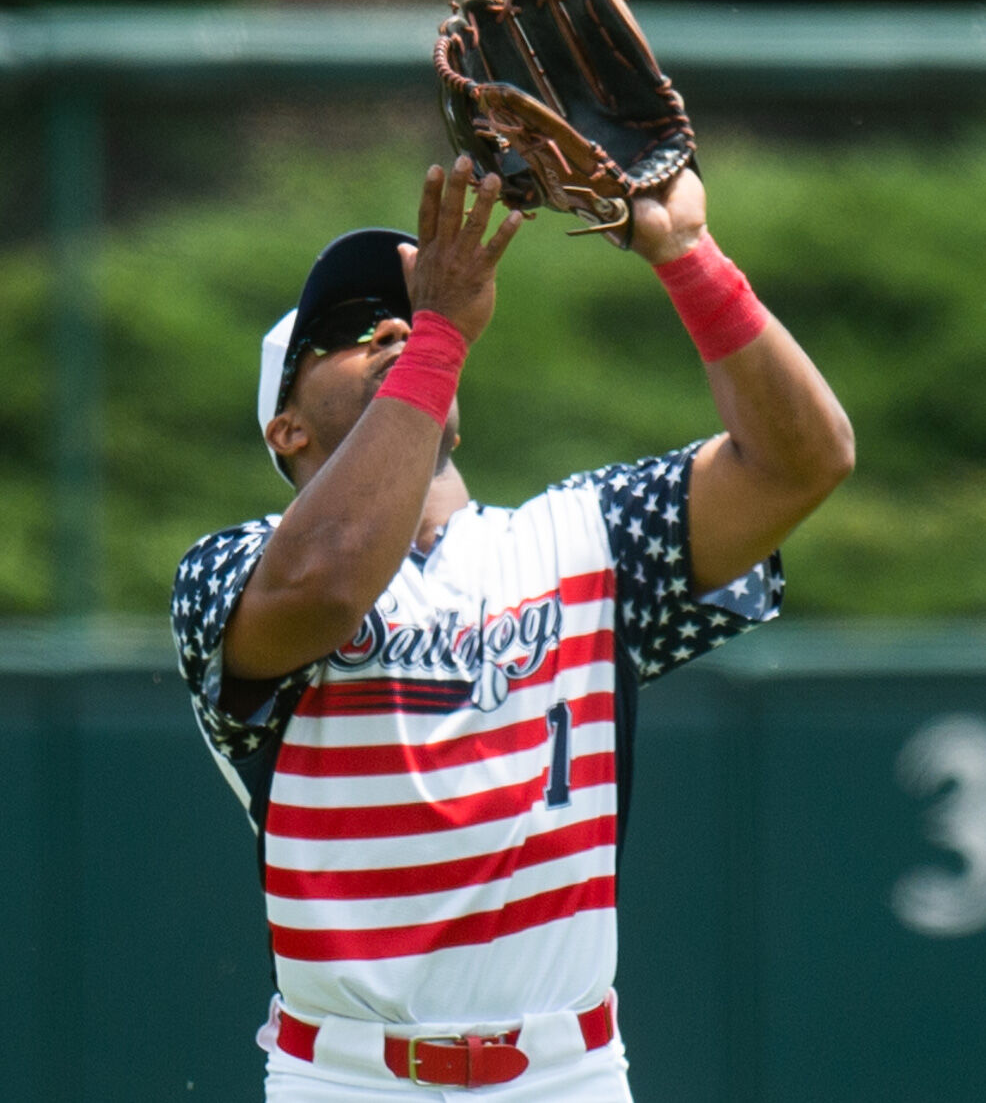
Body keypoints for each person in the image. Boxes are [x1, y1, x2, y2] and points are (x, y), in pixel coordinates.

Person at [171, 155, 854, 1102]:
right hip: (350, 1080)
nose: (392, 325)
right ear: (283, 427)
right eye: (343, 328)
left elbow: (803, 461)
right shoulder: (228, 571)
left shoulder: (582, 535)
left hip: (563, 1073)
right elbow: (328, 584)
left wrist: (688, 254)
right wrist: (440, 334)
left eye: (407, 313)